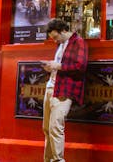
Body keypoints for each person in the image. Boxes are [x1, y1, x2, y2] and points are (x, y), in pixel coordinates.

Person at [41, 17, 87, 162]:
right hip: (51, 88)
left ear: (63, 31)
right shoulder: (61, 44)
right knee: (47, 129)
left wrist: (57, 66)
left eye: (55, 37)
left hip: (64, 90)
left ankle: (58, 160)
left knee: (55, 127)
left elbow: (80, 66)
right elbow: (59, 65)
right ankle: (48, 160)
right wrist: (50, 67)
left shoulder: (78, 42)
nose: (54, 41)